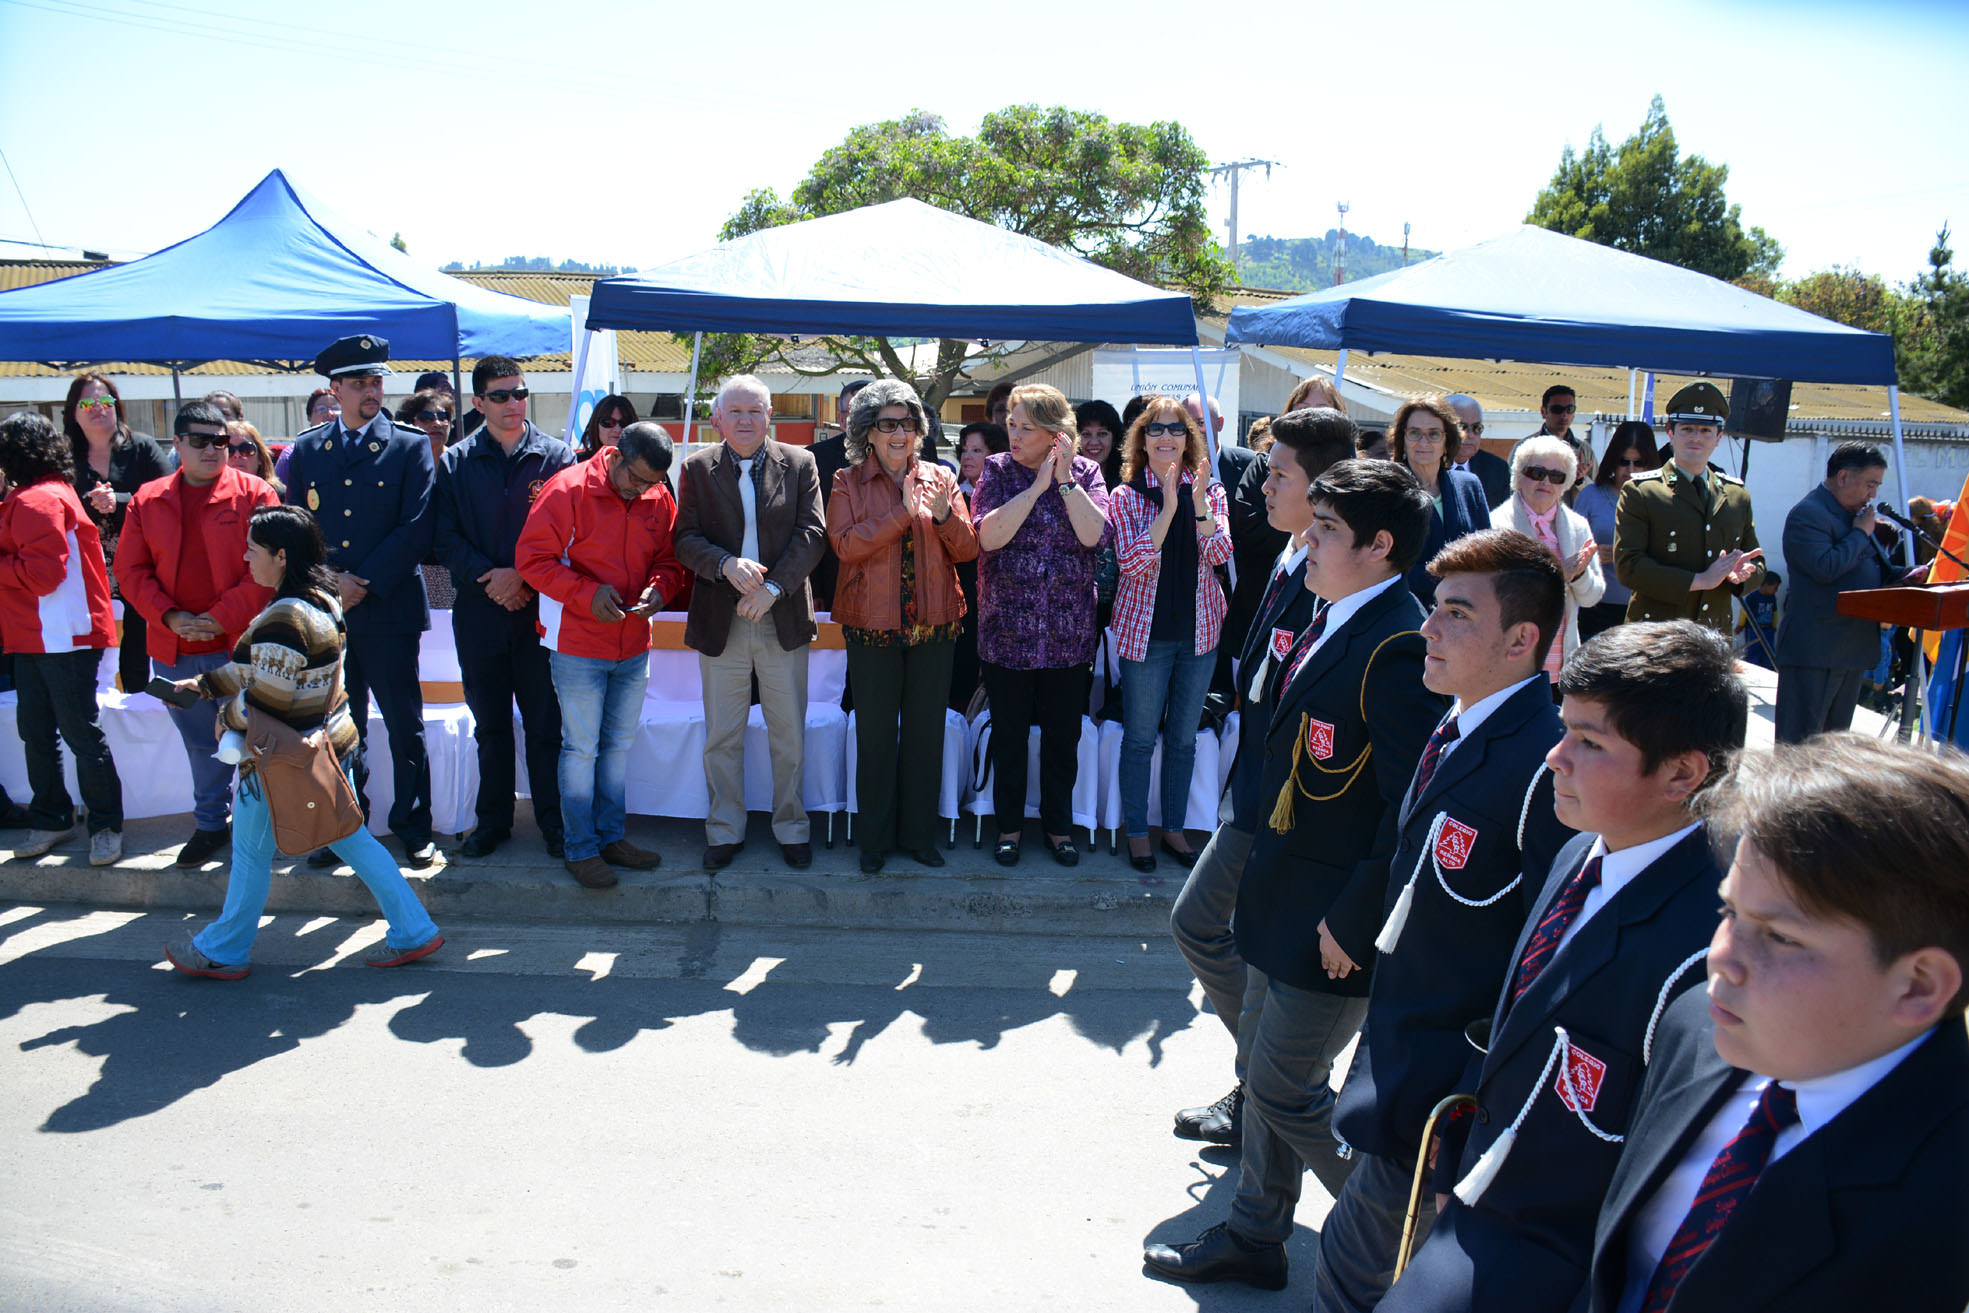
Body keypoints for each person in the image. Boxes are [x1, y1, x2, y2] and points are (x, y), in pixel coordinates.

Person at [1381, 621, 1748, 1313]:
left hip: (1555, 1264)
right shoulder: (1579, 853)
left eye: (1589, 741)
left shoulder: (1707, 947)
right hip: (1483, 1195)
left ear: (1681, 772)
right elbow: (1517, 1013)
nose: (1554, 756)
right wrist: (1459, 1141)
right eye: (1563, 727)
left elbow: (1663, 1167)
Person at [1144, 459, 1446, 1291]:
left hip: (1331, 914)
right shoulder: (1336, 612)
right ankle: (1255, 1232)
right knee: (1272, 1080)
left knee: (1280, 1085)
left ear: (1380, 546)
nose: (1305, 542)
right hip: (1287, 886)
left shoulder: (1394, 643)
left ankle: (1412, 1226)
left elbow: (1406, 804)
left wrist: (1356, 917)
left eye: (1325, 532)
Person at [1576, 736, 1969, 1313]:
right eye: (1730, 911)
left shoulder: (1946, 1196)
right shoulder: (1697, 1029)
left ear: (1919, 985)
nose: (1722, 958)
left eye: (1782, 938)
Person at [1315, 528, 1576, 1313]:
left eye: (1456, 614)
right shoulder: (1460, 719)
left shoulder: (1544, 761)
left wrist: (1469, 1114)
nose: (1427, 627)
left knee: (1347, 1271)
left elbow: (1540, 961)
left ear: (1521, 639)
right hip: (1401, 1057)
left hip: (1446, 1091)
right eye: (1433, 609)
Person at [1169, 406, 1356, 1148]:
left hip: (1282, 803)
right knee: (1210, 930)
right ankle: (1264, 1077)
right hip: (1253, 786)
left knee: (1204, 926)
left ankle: (1266, 1081)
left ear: (1320, 489)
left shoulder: (1330, 571)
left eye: (1279, 472)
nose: (1261, 480)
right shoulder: (1286, 551)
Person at [160, 506, 444, 979]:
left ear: (281, 556)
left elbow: (269, 704)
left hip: (278, 761)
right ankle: (414, 931)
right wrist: (205, 685)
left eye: (253, 550)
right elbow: (265, 670)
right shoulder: (322, 599)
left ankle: (224, 951)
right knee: (353, 839)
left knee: (251, 852)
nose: (246, 558)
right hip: (327, 748)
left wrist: (225, 713)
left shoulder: (283, 617)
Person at [282, 334, 436, 869]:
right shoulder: (307, 449)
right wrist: (331, 583)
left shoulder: (409, 444)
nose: (372, 391)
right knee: (339, 726)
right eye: (359, 383)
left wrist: (361, 581)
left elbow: (417, 527)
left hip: (388, 608)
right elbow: (298, 531)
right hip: (330, 613)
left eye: (376, 381)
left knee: (403, 722)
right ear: (335, 389)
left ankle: (414, 826)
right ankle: (344, 826)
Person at [114, 400, 279, 868]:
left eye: (222, 442)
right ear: (178, 444)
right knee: (199, 740)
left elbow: (269, 569)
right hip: (174, 648)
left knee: (258, 738)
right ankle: (211, 825)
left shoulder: (255, 494)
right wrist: (167, 616)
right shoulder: (148, 498)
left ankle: (264, 826)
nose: (214, 450)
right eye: (202, 441)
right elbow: (130, 570)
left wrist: (222, 616)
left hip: (241, 645)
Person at [517, 422, 682, 888]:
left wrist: (660, 589)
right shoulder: (567, 489)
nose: (642, 490)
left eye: (653, 483)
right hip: (577, 644)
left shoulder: (657, 496)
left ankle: (610, 838)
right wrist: (586, 595)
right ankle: (580, 848)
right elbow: (531, 560)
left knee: (616, 749)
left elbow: (668, 560)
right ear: (614, 454)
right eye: (637, 479)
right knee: (582, 749)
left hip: (633, 643)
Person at [673, 375, 828, 871]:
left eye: (755, 411)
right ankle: (724, 829)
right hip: (722, 619)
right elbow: (684, 538)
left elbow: (813, 535)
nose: (745, 420)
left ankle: (791, 827)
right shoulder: (697, 467)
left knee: (789, 733)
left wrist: (773, 588)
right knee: (723, 733)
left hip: (780, 617)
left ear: (769, 417)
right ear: (717, 417)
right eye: (735, 411)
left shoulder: (801, 463)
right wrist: (724, 564)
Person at [827, 379, 978, 873]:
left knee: (925, 735)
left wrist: (941, 517)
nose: (899, 433)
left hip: (934, 628)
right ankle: (873, 841)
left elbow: (968, 548)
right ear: (867, 432)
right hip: (871, 629)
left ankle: (918, 838)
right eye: (888, 424)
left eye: (908, 424)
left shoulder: (942, 478)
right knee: (874, 737)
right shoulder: (846, 481)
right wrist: (901, 514)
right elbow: (845, 546)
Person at [437, 355, 578, 862]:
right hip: (478, 611)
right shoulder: (455, 462)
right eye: (501, 395)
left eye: (520, 393)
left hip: (540, 611)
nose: (514, 403)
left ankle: (553, 823)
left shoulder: (557, 459)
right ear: (478, 403)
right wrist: (494, 579)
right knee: (490, 725)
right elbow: (443, 537)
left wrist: (522, 576)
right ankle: (492, 822)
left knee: (546, 725)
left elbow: (569, 535)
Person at [971, 383, 1109, 866]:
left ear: (1055, 434)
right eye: (1012, 423)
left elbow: (1095, 536)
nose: (1014, 433)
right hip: (1006, 632)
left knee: (1061, 740)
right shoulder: (997, 471)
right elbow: (987, 537)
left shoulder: (1088, 472)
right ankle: (1007, 826)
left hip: (1068, 637)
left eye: (1026, 427)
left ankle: (1058, 828)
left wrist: (1065, 480)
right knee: (1008, 736)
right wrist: (1034, 489)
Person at [1109, 397, 1234, 870]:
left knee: (1184, 740)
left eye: (1176, 430)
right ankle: (1138, 831)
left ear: (1189, 440)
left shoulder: (1212, 492)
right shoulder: (1126, 496)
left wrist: (1197, 501)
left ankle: (1176, 830)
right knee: (1140, 740)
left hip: (1199, 635)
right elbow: (1133, 565)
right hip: (1146, 637)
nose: (1166, 437)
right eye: (1156, 429)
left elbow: (1221, 555)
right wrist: (1167, 507)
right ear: (1142, 440)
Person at [0, 411, 123, 865]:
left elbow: (43, 576)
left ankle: (105, 824)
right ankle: (53, 818)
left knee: (73, 734)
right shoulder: (45, 494)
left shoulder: (37, 501)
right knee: (41, 732)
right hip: (45, 634)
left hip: (61, 636)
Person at [1614, 383, 1763, 637]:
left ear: (1719, 437)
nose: (1696, 437)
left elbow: (1756, 560)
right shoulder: (1642, 491)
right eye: (1687, 429)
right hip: (1656, 636)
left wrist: (1743, 575)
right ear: (1671, 433)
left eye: (1706, 430)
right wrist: (1700, 580)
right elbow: (1629, 566)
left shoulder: (1737, 495)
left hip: (1713, 636)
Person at [1773, 442, 1891, 744]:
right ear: (1843, 477)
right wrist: (1861, 533)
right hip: (1815, 651)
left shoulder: (1854, 515)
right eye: (1870, 484)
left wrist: (1913, 577)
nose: (1873, 494)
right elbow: (1824, 567)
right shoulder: (1809, 514)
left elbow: (1873, 570)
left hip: (1850, 649)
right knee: (1800, 751)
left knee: (1830, 754)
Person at [64, 372, 170, 694]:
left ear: (116, 406)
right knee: (90, 651)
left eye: (105, 400)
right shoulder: (64, 455)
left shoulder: (142, 447)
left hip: (137, 564)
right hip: (84, 570)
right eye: (88, 402)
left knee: (136, 651)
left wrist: (121, 501)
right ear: (73, 411)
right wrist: (88, 502)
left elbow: (166, 495)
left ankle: (137, 713)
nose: (98, 407)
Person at [1492, 436, 1604, 684]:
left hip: (1561, 664)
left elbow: (1592, 597)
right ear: (1518, 475)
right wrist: (1556, 575)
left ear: (1566, 484)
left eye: (1557, 476)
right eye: (1536, 472)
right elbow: (1494, 592)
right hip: (1510, 661)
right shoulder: (1496, 524)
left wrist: (1580, 575)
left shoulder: (1578, 526)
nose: (1545, 482)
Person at [1391, 396, 1490, 608]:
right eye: (1414, 433)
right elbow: (1383, 565)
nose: (1423, 442)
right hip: (1407, 613)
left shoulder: (1469, 485)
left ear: (1448, 440)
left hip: (1464, 612)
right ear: (1403, 439)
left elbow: (1486, 553)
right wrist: (1450, 578)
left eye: (1434, 434)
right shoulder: (1387, 491)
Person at [1572, 421, 1657, 642]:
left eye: (1639, 463)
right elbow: (1568, 551)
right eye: (1623, 462)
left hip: (1645, 613)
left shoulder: (1662, 501)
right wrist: (1591, 558)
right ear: (1612, 461)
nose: (1630, 471)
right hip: (1595, 611)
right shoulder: (1591, 496)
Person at [808, 378, 873, 614]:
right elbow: (810, 525)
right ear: (840, 418)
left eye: (868, 413)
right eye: (852, 413)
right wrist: (814, 589)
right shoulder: (815, 457)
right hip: (833, 578)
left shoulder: (904, 452)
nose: (859, 421)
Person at [1446, 394, 1511, 509]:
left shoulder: (1497, 469)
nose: (1470, 435)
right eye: (1462, 427)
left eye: (1477, 428)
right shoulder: (1426, 467)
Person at [1533, 383, 1591, 500]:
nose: (1564, 415)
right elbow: (1513, 489)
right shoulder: (1526, 449)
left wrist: (1581, 480)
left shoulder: (1585, 451)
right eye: (1557, 409)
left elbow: (1597, 495)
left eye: (1570, 409)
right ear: (1543, 412)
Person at [1074, 399, 1126, 491]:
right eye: (1086, 434)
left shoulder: (1127, 480)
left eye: (1102, 434)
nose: (1094, 442)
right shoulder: (1065, 478)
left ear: (1114, 438)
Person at [1738, 571, 1780, 669]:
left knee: (1769, 651)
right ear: (1766, 585)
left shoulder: (1772, 598)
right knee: (1753, 651)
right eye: (1775, 587)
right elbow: (1745, 611)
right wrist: (1740, 625)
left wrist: (1774, 626)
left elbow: (1774, 612)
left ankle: (1768, 669)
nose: (1776, 590)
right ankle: (1752, 669)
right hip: (1754, 630)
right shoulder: (1752, 597)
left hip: (1768, 629)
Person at [224, 420, 282, 491]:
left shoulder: (276, 495)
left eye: (246, 449)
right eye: (229, 449)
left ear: (260, 457)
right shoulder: (208, 496)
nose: (237, 455)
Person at [576, 394, 637, 460]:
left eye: (624, 423)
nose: (617, 429)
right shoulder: (576, 464)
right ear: (596, 425)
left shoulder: (643, 465)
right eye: (608, 422)